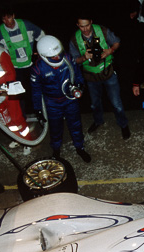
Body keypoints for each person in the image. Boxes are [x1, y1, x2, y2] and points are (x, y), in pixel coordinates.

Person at [30, 35, 91, 163]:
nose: (58, 58)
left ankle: (80, 147)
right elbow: (36, 91)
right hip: (52, 103)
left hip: (70, 99)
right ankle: (56, 149)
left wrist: (80, 85)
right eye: (54, 56)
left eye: (58, 54)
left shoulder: (67, 58)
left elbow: (77, 73)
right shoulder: (38, 69)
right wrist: (38, 109)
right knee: (55, 127)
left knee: (75, 124)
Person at [69, 15, 130, 139]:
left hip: (108, 72)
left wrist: (110, 50)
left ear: (91, 22)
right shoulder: (74, 39)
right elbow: (74, 60)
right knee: (95, 104)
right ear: (77, 25)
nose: (85, 29)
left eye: (87, 25)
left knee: (116, 103)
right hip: (91, 77)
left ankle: (123, 124)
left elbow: (117, 42)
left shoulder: (102, 30)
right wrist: (84, 57)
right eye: (81, 26)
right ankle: (98, 121)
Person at [0, 6, 45, 114]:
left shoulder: (27, 25)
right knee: (17, 94)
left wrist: (41, 52)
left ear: (13, 16)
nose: (7, 21)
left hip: (30, 65)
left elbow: (41, 36)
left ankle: (40, 111)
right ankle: (22, 116)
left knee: (36, 90)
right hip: (14, 68)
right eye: (4, 19)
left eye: (9, 17)